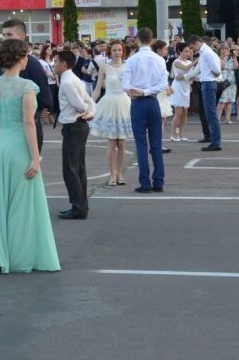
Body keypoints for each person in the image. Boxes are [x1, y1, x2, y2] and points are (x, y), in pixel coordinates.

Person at [0, 39, 60, 274]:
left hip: (1, 148)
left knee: (2, 206)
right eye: (25, 55)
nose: (28, 59)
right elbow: (28, 123)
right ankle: (18, 257)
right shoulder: (27, 86)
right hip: (19, 148)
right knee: (22, 206)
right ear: (18, 58)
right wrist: (36, 157)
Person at [121, 28, 169, 192]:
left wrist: (138, 91)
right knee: (156, 143)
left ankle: (145, 182)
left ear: (138, 40)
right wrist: (147, 91)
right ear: (152, 40)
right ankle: (159, 181)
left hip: (138, 103)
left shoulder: (132, 60)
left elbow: (125, 85)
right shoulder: (159, 59)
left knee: (141, 144)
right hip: (153, 101)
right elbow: (163, 84)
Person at [0, 19, 52, 152]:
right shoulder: (4, 63)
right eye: (4, 35)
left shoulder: (31, 63)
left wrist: (42, 109)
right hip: (7, 125)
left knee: (28, 167)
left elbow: (43, 93)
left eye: (9, 34)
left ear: (22, 37)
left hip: (28, 122)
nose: (5, 38)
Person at [55, 50, 95, 220]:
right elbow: (90, 100)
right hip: (78, 126)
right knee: (78, 168)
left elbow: (80, 103)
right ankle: (80, 205)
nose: (54, 64)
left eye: (56, 61)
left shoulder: (67, 82)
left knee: (70, 169)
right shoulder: (73, 79)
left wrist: (86, 111)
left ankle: (78, 207)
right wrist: (90, 111)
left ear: (64, 63)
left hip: (73, 126)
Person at [91, 40, 133, 186]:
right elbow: (97, 89)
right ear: (110, 52)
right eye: (114, 50)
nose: (117, 53)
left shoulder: (128, 67)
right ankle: (111, 175)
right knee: (111, 143)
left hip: (123, 104)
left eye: (119, 50)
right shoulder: (104, 68)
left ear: (123, 52)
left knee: (121, 142)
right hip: (109, 103)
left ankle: (120, 174)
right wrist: (89, 104)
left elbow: (132, 87)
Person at [187, 35, 222, 151]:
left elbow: (216, 69)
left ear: (197, 43)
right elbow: (199, 69)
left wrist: (216, 73)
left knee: (211, 113)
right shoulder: (205, 52)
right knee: (209, 113)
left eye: (193, 47)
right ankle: (214, 140)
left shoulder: (206, 53)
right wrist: (186, 76)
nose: (193, 50)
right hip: (208, 83)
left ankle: (215, 142)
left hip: (209, 83)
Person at [169, 43, 195, 141]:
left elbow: (192, 75)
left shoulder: (189, 62)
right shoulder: (176, 62)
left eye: (189, 51)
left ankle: (181, 135)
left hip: (186, 87)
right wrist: (196, 61)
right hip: (178, 88)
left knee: (184, 113)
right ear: (180, 51)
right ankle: (173, 134)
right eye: (186, 51)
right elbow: (185, 69)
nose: (188, 53)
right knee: (178, 113)